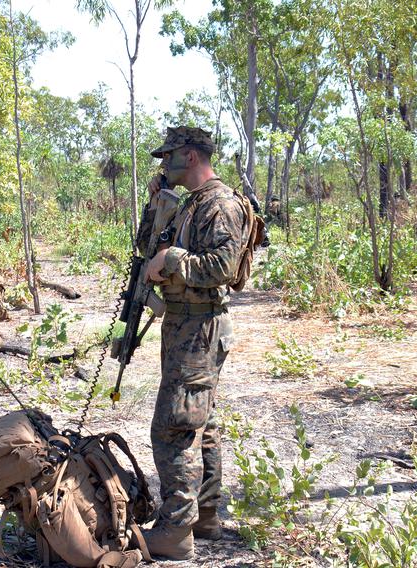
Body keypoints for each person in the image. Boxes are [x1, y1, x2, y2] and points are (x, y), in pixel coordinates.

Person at [138, 126, 253, 560]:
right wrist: (156, 202)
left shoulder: (220, 204)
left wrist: (171, 261)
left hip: (199, 328)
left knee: (174, 427)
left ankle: (176, 530)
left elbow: (222, 267)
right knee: (200, 423)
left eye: (168, 157)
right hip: (187, 325)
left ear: (190, 156)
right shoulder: (191, 203)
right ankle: (204, 516)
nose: (163, 164)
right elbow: (145, 248)